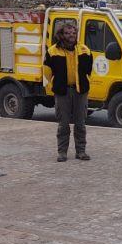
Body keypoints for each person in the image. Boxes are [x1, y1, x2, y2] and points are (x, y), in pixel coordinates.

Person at [43, 23, 93, 162]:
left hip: (80, 91)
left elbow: (89, 69)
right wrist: (55, 84)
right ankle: (62, 153)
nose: (71, 35)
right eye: (67, 33)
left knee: (80, 123)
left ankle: (81, 151)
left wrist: (85, 81)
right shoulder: (53, 51)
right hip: (62, 92)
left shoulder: (85, 50)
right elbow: (47, 71)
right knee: (63, 124)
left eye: (73, 33)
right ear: (61, 34)